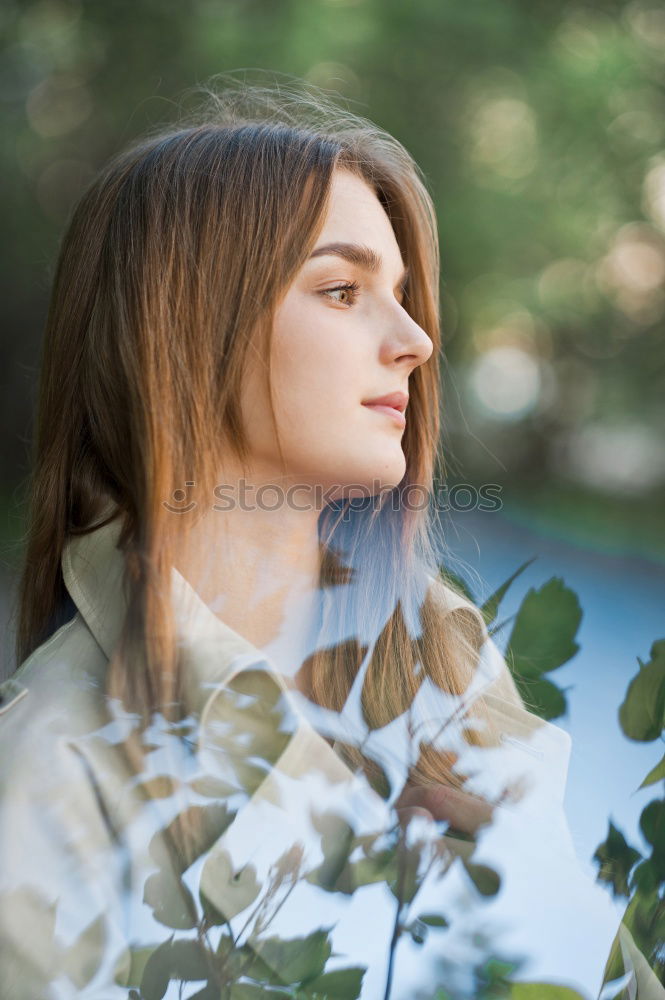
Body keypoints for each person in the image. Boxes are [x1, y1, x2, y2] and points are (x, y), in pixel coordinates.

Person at [1, 75, 658, 999]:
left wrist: (536, 891)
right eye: (343, 290)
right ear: (188, 328)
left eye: (400, 293)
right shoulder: (47, 777)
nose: (416, 339)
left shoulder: (442, 658)